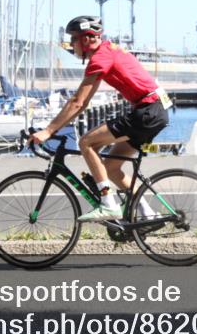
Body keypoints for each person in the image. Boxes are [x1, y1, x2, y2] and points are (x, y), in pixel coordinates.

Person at [29, 15, 171, 221]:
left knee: (86, 142)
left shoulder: (101, 58)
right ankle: (147, 213)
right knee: (111, 168)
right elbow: (82, 103)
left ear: (86, 39)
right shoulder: (109, 51)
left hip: (148, 111)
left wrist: (49, 130)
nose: (71, 45)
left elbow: (78, 102)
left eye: (73, 40)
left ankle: (108, 203)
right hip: (154, 110)